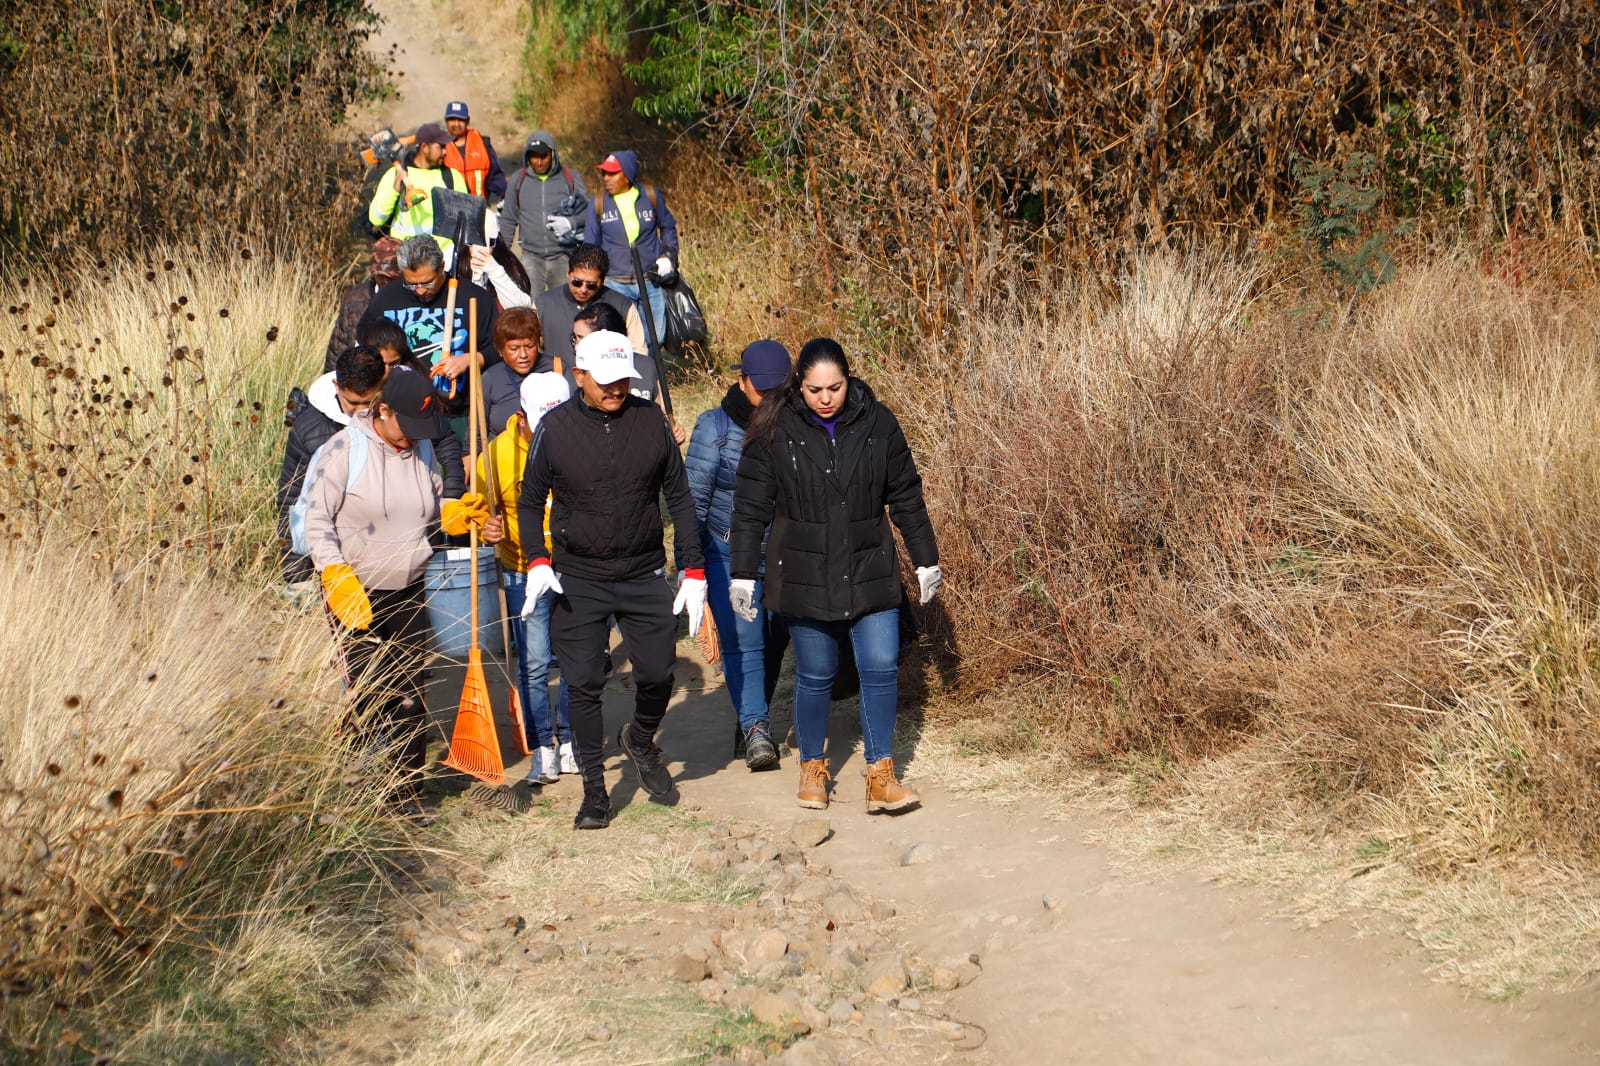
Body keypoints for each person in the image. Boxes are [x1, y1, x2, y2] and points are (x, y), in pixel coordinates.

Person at [729, 338, 942, 813]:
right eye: (814, 389)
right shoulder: (774, 429)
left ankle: (881, 776)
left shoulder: (878, 424)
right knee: (817, 672)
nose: (825, 398)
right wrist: (742, 573)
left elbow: (905, 495)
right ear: (797, 386)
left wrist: (926, 558)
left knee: (881, 665)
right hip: (804, 571)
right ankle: (813, 769)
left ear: (849, 379)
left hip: (870, 564)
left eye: (835, 387)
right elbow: (749, 510)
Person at [517, 330, 706, 830]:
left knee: (659, 673)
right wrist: (537, 559)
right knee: (582, 683)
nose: (616, 389)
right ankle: (595, 793)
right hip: (579, 574)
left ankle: (640, 738)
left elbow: (681, 497)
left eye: (623, 379)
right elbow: (530, 500)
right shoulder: (555, 429)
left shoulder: (650, 422)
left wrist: (694, 569)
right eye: (605, 381)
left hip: (643, 568)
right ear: (579, 376)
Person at [302, 369, 489, 815]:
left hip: (408, 587)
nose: (416, 438)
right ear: (382, 410)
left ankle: (404, 795)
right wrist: (335, 573)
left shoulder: (420, 446)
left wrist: (455, 513)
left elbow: (429, 501)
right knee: (369, 694)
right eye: (408, 427)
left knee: (409, 693)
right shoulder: (344, 451)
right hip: (355, 592)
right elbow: (315, 521)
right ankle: (358, 791)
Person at [686, 340, 793, 770]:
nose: (766, 397)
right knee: (743, 641)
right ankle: (756, 729)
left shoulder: (799, 423)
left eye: (776, 389)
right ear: (741, 380)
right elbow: (692, 498)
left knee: (774, 643)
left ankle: (751, 717)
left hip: (783, 554)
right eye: (759, 388)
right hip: (725, 552)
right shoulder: (714, 427)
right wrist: (689, 566)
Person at [279, 346, 466, 585]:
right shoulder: (320, 435)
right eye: (353, 402)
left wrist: (451, 507)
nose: (361, 411)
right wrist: (301, 570)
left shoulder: (415, 432)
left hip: (413, 580)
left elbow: (433, 487)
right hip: (350, 579)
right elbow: (297, 501)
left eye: (367, 402)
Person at [481, 371, 575, 784]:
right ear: (521, 416)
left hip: (577, 566)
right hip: (523, 568)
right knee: (535, 663)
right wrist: (487, 526)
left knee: (578, 659)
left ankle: (572, 740)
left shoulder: (580, 437)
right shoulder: (497, 454)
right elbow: (480, 511)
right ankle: (541, 747)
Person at [356, 235, 499, 416]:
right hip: (403, 412)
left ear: (441, 267)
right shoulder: (387, 297)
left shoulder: (474, 298)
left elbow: (500, 348)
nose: (420, 290)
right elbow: (364, 338)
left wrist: (471, 359)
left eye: (427, 282)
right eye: (411, 284)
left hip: (459, 412)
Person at [583, 150, 678, 345]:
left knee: (656, 338)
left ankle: (650, 373)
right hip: (615, 284)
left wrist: (669, 256)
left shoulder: (651, 196)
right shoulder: (598, 202)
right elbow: (590, 245)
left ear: (627, 175)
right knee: (622, 339)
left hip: (651, 281)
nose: (606, 178)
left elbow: (668, 227)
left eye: (612, 173)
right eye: (604, 173)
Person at [499, 131, 590, 293]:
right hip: (530, 258)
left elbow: (589, 213)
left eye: (544, 156)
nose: (539, 162)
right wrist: (503, 256)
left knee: (564, 308)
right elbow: (508, 219)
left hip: (563, 257)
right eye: (534, 156)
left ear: (553, 155)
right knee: (532, 309)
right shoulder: (518, 180)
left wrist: (571, 222)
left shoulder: (570, 178)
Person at [533, 243, 643, 374]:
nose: (583, 289)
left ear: (602, 281)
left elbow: (639, 354)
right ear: (568, 274)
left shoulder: (622, 306)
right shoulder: (542, 304)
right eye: (577, 282)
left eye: (591, 285)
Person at [367, 123, 463, 260]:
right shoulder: (395, 175)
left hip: (442, 261)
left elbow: (466, 221)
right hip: (403, 261)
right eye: (440, 147)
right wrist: (395, 190)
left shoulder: (453, 177)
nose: (445, 151)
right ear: (424, 147)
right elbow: (376, 218)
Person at [324, 237, 400, 373]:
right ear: (373, 271)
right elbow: (338, 348)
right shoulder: (354, 298)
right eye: (381, 275)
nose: (385, 281)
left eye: (392, 277)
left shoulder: (411, 300)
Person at [482, 307, 541, 434]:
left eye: (529, 346)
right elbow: (476, 435)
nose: (523, 355)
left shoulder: (556, 369)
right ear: (500, 349)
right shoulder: (489, 379)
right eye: (514, 349)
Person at [441, 100, 506, 201]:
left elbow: (496, 178)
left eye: (461, 120)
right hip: (450, 211)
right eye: (452, 119)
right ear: (446, 121)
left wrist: (510, 198)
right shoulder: (439, 147)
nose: (457, 124)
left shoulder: (483, 144)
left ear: (468, 121)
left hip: (479, 209)